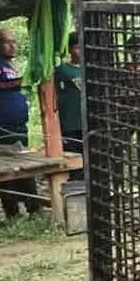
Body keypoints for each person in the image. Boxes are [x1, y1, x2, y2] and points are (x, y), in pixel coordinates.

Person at [0, 28, 41, 218]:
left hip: (17, 126)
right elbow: (2, 83)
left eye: (14, 41)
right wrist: (33, 77)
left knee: (24, 167)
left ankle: (33, 208)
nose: (13, 45)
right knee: (6, 171)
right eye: (7, 42)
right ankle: (12, 212)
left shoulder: (10, 65)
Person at [54, 32, 84, 181]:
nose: (81, 51)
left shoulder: (91, 68)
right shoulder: (62, 70)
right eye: (78, 48)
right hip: (70, 122)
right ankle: (75, 185)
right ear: (71, 49)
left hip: (88, 121)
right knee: (73, 156)